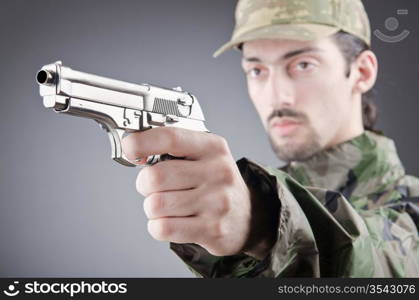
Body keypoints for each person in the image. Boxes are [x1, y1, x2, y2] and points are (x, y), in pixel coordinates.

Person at [121, 0, 419, 277]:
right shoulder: (267, 189)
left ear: (362, 71)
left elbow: (384, 263)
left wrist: (262, 222)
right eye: (257, 70)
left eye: (303, 64)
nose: (276, 96)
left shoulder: (410, 209)